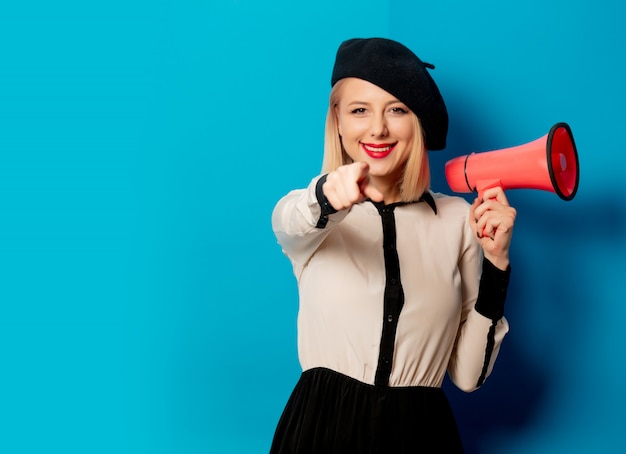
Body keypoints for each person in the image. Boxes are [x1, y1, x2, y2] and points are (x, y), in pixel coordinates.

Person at [269, 37, 517, 453]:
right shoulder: (313, 215)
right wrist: (332, 192)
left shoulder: (458, 220)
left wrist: (496, 262)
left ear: (416, 122)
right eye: (359, 110)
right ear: (338, 120)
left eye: (397, 109)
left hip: (421, 434)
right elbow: (287, 222)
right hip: (320, 431)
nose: (378, 128)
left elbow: (469, 376)